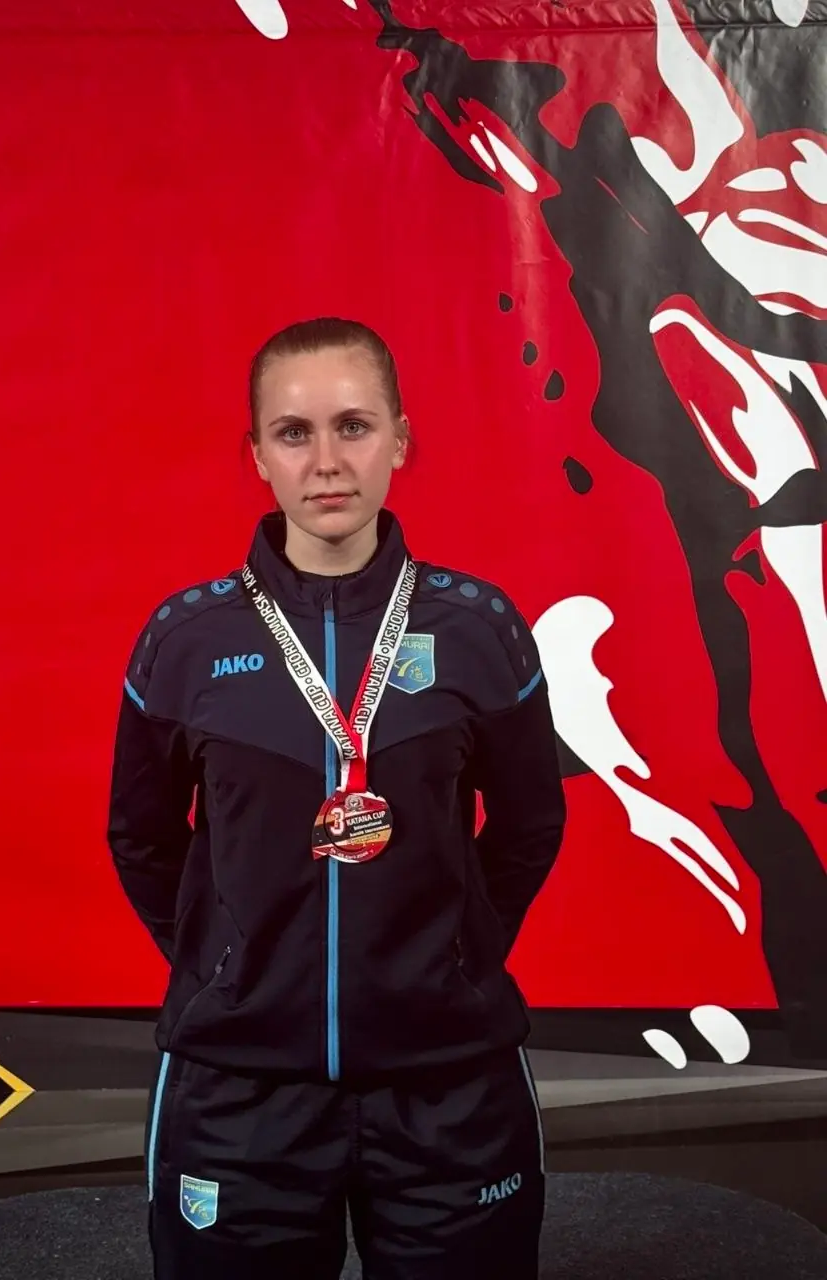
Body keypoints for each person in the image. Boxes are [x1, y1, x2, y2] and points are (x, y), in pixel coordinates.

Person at [107, 317, 567, 1279]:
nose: (326, 461)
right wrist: (229, 965)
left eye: (354, 426)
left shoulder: (480, 630)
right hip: (240, 1091)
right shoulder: (185, 641)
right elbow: (141, 838)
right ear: (257, 457)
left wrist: (457, 955)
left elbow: (531, 826)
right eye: (294, 433)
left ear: (400, 440)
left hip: (449, 1082)